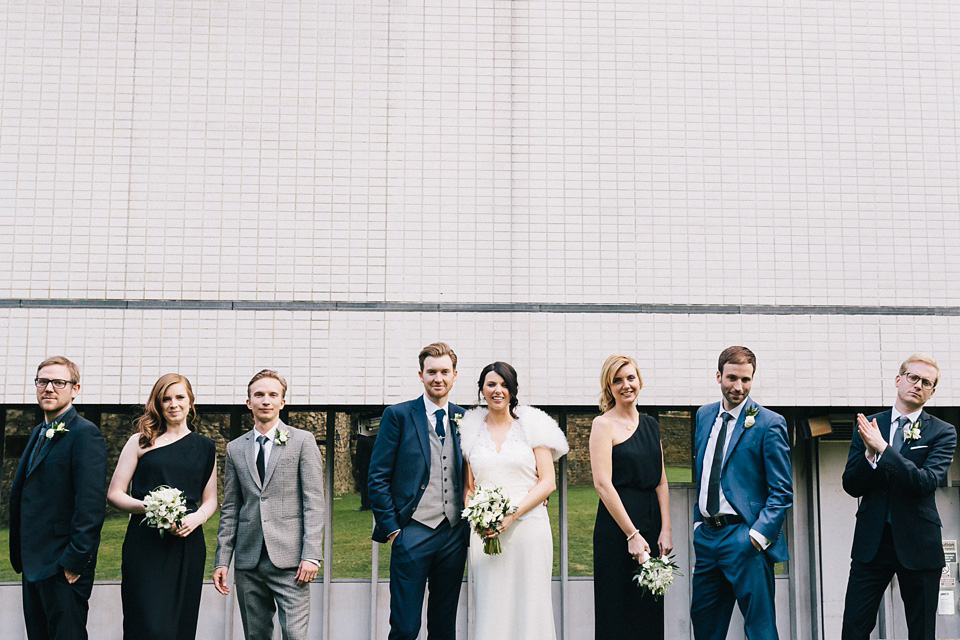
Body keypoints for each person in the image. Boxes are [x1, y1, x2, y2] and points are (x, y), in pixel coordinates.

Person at [840, 354, 957, 640]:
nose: (917, 385)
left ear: (932, 392)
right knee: (854, 629)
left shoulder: (943, 432)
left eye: (926, 382)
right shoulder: (869, 425)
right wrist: (869, 456)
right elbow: (851, 485)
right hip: (872, 543)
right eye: (912, 377)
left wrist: (882, 448)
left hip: (919, 543)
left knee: (921, 631)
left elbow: (925, 482)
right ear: (898, 380)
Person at [213, 370, 325, 640]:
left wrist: (311, 554)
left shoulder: (302, 441)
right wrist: (222, 560)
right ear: (248, 402)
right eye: (259, 395)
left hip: (292, 562)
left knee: (295, 636)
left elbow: (314, 502)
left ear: (282, 402)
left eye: (273, 395)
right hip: (249, 562)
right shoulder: (235, 448)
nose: (266, 400)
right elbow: (230, 508)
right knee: (255, 635)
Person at [459, 361, 568, 639]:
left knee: (530, 605)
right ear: (481, 389)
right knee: (491, 604)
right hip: (485, 534)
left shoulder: (533, 425)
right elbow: (469, 488)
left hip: (528, 530)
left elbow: (547, 481)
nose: (498, 390)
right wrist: (478, 516)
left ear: (513, 389)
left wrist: (510, 516)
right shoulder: (470, 429)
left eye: (504, 384)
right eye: (491, 384)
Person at [367, 342, 468, 640]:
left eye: (444, 372)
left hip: (452, 532)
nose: (438, 378)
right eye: (432, 372)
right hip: (411, 530)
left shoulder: (466, 418)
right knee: (405, 626)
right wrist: (393, 529)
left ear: (455, 375)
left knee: (443, 625)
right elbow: (377, 475)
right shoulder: (398, 415)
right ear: (421, 375)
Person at [690, 346, 792, 640]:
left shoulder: (769, 423)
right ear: (718, 375)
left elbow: (782, 490)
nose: (739, 387)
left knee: (760, 629)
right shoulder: (704, 415)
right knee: (706, 627)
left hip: (744, 538)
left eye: (746, 380)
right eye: (732, 378)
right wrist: (699, 523)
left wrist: (757, 536)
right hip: (707, 539)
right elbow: (705, 472)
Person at [106, 373, 218, 639]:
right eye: (166, 399)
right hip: (145, 545)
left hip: (186, 544)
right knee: (148, 624)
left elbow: (211, 498)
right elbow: (115, 494)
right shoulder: (140, 441)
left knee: (179, 624)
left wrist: (197, 518)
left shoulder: (205, 447)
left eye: (180, 397)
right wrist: (152, 508)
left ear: (191, 401)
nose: (173, 404)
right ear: (157, 404)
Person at [9, 356, 107, 640]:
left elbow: (90, 505)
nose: (49, 388)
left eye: (58, 382)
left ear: (75, 389)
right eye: (43, 381)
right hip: (33, 564)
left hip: (63, 566)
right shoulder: (38, 432)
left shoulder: (85, 434)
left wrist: (74, 562)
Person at [589, 354, 672, 640]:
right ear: (609, 387)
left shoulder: (651, 424)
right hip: (617, 529)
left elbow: (661, 480)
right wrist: (631, 534)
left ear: (640, 381)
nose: (626, 385)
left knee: (648, 609)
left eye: (631, 378)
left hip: (650, 524)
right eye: (618, 380)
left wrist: (666, 529)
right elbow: (602, 484)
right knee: (617, 611)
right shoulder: (602, 425)